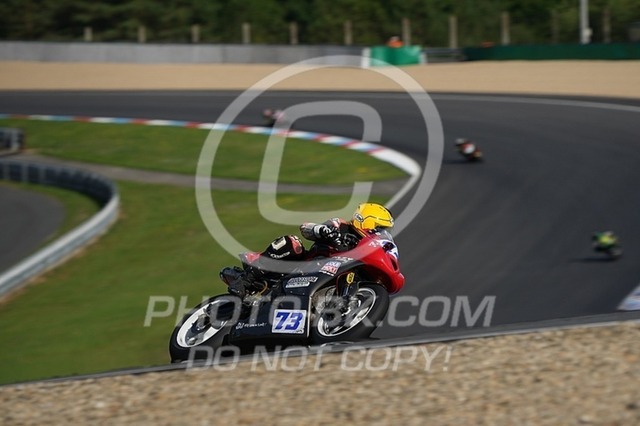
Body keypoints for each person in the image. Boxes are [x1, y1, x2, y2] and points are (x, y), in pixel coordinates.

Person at [219, 202, 395, 299]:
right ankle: (245, 281)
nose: (380, 233)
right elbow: (305, 228)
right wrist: (323, 230)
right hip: (302, 267)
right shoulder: (341, 226)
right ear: (366, 219)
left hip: (326, 280)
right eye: (379, 228)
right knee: (292, 242)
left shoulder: (366, 249)